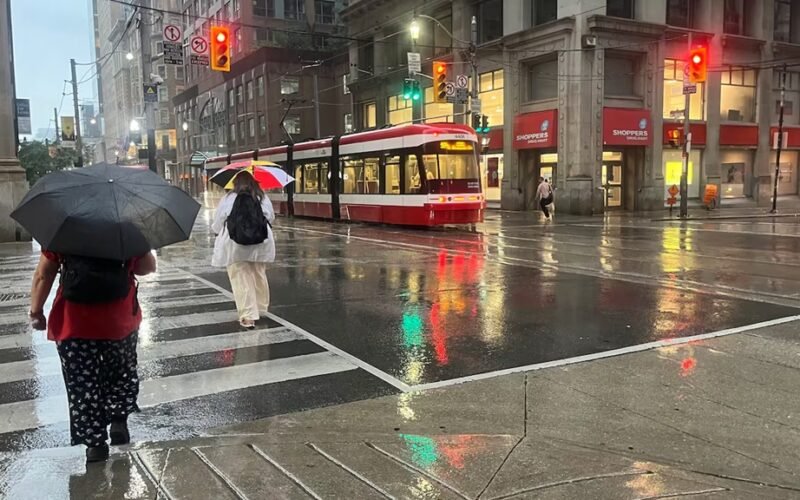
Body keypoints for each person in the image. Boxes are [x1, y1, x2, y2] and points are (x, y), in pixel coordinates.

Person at [28, 250, 157, 463]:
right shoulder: (125, 227)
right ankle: (118, 421)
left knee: (82, 384)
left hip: (75, 322)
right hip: (119, 319)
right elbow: (148, 267)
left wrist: (36, 311)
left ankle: (94, 444)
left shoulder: (65, 230)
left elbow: (44, 274)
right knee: (121, 372)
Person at [212, 171, 275, 329]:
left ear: (235, 183)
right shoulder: (262, 197)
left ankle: (248, 315)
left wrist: (217, 231)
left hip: (235, 244)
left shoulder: (228, 198)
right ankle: (260, 308)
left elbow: (218, 221)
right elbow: (271, 217)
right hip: (260, 243)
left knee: (241, 278)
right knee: (259, 274)